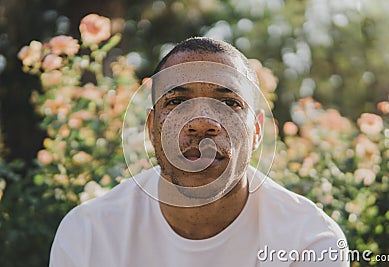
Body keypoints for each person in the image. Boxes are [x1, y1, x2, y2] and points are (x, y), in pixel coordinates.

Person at [50, 37, 349, 266]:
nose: (202, 123)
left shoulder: (310, 241)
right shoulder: (88, 236)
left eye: (230, 103)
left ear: (257, 131)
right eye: (177, 101)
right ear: (152, 128)